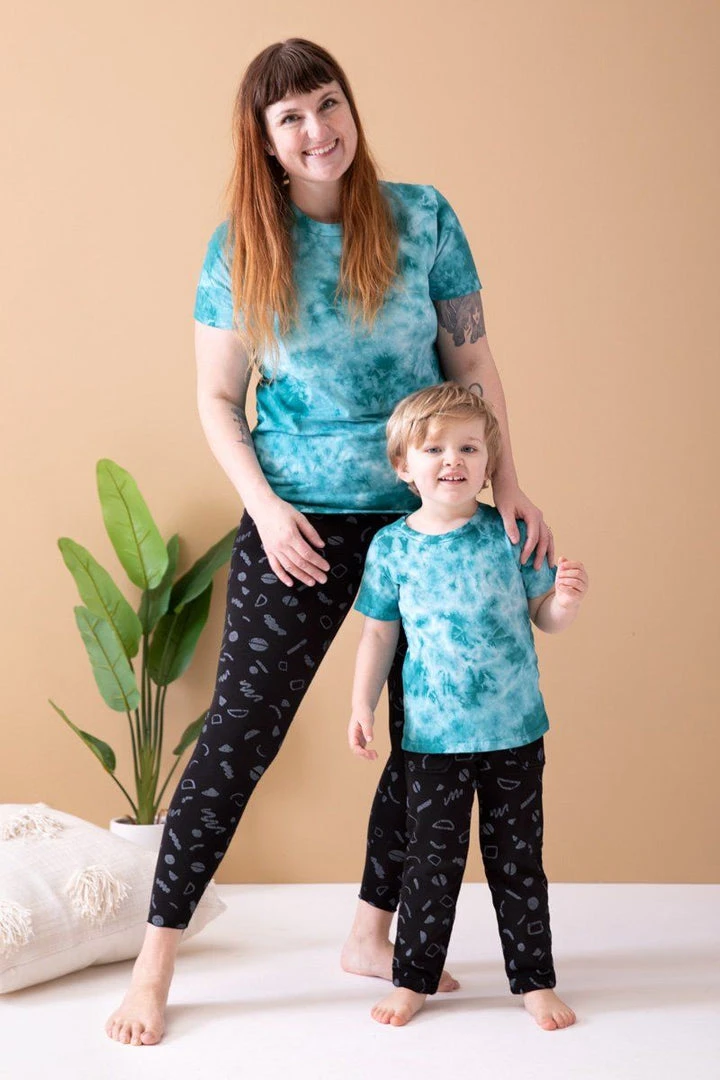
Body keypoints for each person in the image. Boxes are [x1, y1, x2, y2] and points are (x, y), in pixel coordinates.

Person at [106, 38, 555, 1046]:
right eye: (291, 118)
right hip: (297, 521)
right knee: (237, 738)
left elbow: (472, 363)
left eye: (328, 102)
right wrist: (266, 512)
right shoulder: (238, 249)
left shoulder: (424, 217)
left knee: (430, 733)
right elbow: (218, 400)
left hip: (427, 513)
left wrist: (510, 484)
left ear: (351, 106)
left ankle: (369, 932)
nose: (318, 129)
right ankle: (153, 964)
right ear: (264, 141)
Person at [348, 382, 588, 1029]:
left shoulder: (510, 534)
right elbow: (378, 635)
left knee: (519, 862)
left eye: (468, 448)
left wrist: (564, 602)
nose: (452, 460)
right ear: (404, 465)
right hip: (433, 742)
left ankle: (535, 982)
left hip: (516, 733)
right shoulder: (392, 547)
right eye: (434, 449)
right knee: (431, 865)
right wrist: (362, 705)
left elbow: (544, 617)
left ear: (489, 462)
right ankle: (412, 980)